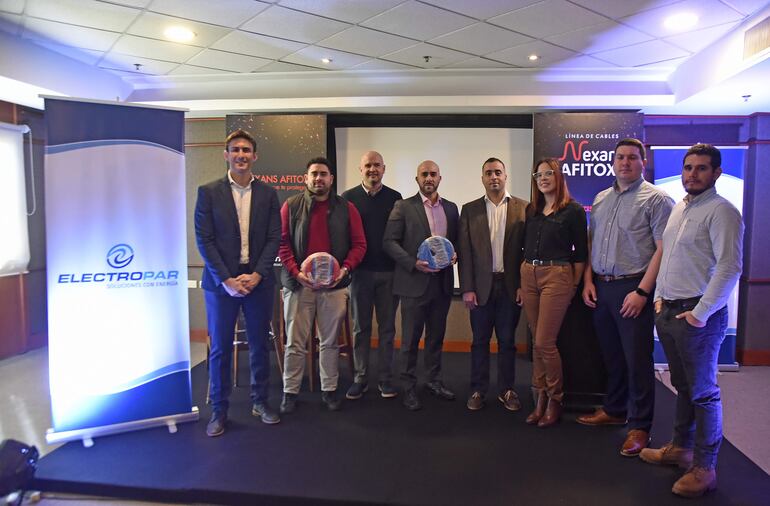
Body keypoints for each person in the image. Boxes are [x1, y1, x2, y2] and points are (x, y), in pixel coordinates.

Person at [640, 144, 743, 498]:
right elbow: (667, 256)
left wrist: (700, 314)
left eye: (701, 168)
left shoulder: (722, 212)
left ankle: (705, 467)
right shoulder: (680, 207)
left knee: (703, 394)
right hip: (668, 311)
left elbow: (730, 267)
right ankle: (680, 449)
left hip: (698, 315)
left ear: (716, 173)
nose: (691, 174)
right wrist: (657, 299)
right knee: (682, 387)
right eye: (687, 168)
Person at [579, 138, 674, 457]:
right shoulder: (602, 198)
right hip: (602, 288)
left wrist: (643, 291)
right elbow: (592, 242)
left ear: (642, 162)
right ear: (613, 161)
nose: (625, 163)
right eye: (620, 157)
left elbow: (663, 249)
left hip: (634, 288)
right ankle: (615, 409)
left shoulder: (657, 200)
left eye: (632, 158)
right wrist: (588, 280)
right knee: (612, 356)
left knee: (637, 360)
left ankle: (640, 426)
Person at [194, 129, 282, 437]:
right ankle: (219, 410)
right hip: (221, 284)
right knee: (219, 349)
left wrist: (257, 274)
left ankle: (260, 401)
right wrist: (227, 279)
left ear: (254, 156)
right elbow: (204, 240)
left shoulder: (269, 194)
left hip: (259, 280)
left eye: (246, 150)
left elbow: (274, 238)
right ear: (226, 155)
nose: (241, 155)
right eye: (235, 150)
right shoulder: (208, 192)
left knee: (259, 345)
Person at [278, 157, 366, 413]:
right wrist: (296, 273)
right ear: (306, 178)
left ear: (331, 179)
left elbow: (359, 245)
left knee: (329, 342)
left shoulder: (346, 208)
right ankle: (290, 392)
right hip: (298, 286)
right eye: (314, 174)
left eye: (323, 174)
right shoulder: (291, 206)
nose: (319, 178)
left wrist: (345, 269)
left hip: (334, 287)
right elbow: (282, 243)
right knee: (294, 342)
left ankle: (329, 390)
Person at [383, 160, 459, 411]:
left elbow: (454, 242)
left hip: (442, 285)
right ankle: (408, 387)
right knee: (410, 340)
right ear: (417, 179)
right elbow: (389, 242)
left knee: (436, 337)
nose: (429, 178)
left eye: (433, 174)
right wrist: (413, 263)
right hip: (413, 284)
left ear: (440, 178)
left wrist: (455, 254)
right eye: (424, 174)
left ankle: (433, 381)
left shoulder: (451, 208)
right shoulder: (403, 207)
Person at [520, 158, 587, 428]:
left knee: (545, 343)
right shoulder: (532, 210)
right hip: (528, 273)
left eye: (549, 173)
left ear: (559, 177)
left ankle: (555, 398)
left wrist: (572, 285)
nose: (544, 178)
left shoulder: (573, 211)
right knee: (536, 341)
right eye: (539, 175)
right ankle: (540, 397)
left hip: (557, 275)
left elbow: (581, 255)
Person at [458, 157, 527, 411]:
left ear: (505, 176)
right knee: (479, 341)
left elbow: (525, 253)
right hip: (480, 289)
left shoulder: (523, 208)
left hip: (510, 287)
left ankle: (507, 390)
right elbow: (464, 253)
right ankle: (478, 389)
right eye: (488, 173)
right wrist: (466, 287)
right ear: (483, 178)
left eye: (498, 172)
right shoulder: (470, 209)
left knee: (508, 341)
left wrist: (523, 285)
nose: (494, 176)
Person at [341, 151, 403, 400]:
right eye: (368, 165)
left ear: (384, 169)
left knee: (387, 330)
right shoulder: (348, 198)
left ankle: (385, 380)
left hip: (389, 273)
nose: (372, 169)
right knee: (360, 329)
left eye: (377, 165)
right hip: (360, 274)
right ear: (360, 168)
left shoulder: (395, 198)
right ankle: (361, 378)